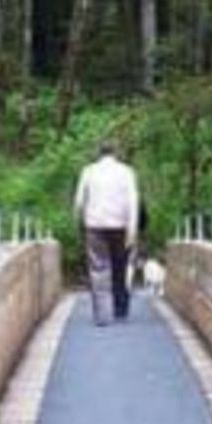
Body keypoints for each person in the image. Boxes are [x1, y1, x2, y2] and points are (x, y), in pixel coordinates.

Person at [73, 140, 140, 326]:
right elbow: (133, 201)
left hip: (95, 225)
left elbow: (79, 200)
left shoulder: (88, 171)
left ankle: (102, 315)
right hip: (121, 225)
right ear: (115, 153)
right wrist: (132, 228)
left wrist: (78, 220)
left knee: (98, 268)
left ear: (98, 153)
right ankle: (120, 309)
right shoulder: (127, 172)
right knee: (121, 266)